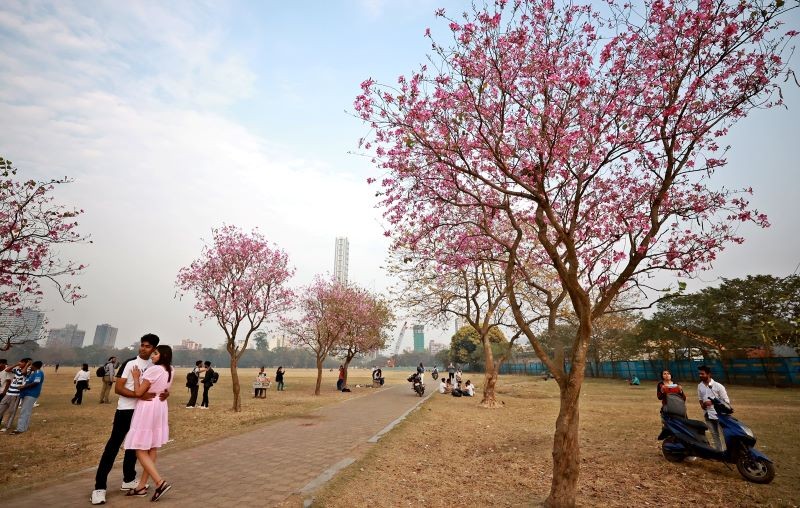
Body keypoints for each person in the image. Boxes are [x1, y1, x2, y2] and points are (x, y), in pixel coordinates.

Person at [91, 333, 168, 506]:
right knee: (113, 446)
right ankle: (99, 488)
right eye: (142, 344)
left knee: (134, 447)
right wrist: (138, 395)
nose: (143, 348)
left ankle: (129, 479)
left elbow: (160, 385)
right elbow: (118, 388)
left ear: (154, 349)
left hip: (143, 412)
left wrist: (164, 393)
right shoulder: (130, 363)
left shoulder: (154, 364)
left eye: (148, 346)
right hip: (125, 410)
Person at [123, 345, 174, 501]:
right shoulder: (170, 369)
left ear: (163, 355)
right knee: (152, 446)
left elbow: (138, 393)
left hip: (147, 407)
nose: (152, 356)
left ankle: (159, 482)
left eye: (155, 353)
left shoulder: (154, 369)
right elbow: (165, 390)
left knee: (139, 447)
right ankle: (141, 486)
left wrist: (137, 377)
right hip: (160, 406)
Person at [697, 365, 730, 451]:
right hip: (707, 414)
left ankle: (727, 453)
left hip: (719, 415)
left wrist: (712, 402)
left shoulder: (718, 386)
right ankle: (720, 452)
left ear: (708, 374)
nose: (700, 375)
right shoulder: (700, 386)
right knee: (714, 435)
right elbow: (700, 398)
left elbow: (726, 401)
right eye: (699, 374)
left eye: (702, 374)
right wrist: (702, 405)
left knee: (723, 435)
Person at [12, 360, 44, 434]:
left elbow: (36, 382)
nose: (30, 367)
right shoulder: (33, 373)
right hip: (27, 393)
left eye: (31, 365)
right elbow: (24, 373)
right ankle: (23, 427)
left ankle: (20, 429)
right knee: (26, 411)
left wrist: (24, 387)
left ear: (35, 366)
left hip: (31, 394)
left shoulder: (38, 372)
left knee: (24, 411)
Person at [0, 358, 30, 432]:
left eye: (22, 362)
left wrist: (26, 365)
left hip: (16, 394)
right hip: (9, 393)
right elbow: (7, 370)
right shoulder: (17, 370)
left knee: (11, 411)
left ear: (26, 364)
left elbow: (23, 373)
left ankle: (7, 426)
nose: (20, 363)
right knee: (1, 408)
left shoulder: (28, 370)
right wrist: (16, 364)